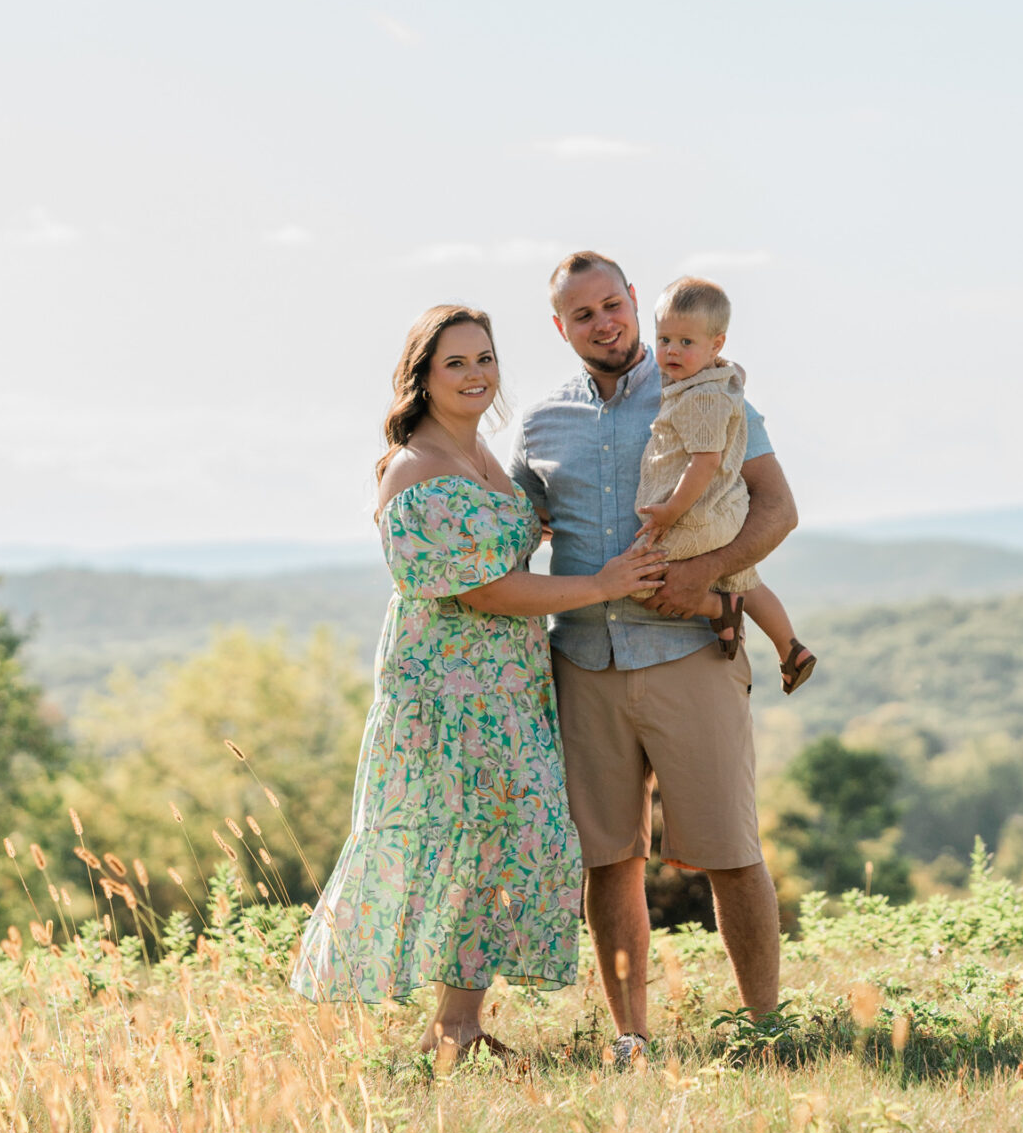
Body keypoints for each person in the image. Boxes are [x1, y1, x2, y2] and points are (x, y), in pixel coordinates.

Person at [290, 304, 666, 1062]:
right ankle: (452, 1027)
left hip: (512, 689)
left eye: (484, 358)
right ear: (422, 376)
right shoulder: (415, 467)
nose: (474, 374)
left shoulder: (487, 457)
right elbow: (483, 591)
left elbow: (519, 532)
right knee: (462, 844)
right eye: (455, 361)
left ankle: (456, 1024)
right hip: (448, 693)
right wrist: (603, 584)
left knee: (504, 847)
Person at [510, 252, 799, 1069]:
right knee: (610, 859)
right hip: (586, 665)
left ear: (634, 300)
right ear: (560, 327)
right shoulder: (539, 425)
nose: (605, 323)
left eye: (613, 304)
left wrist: (707, 573)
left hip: (690, 652)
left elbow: (778, 508)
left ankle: (764, 1028)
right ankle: (632, 1037)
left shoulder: (704, 389)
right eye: (583, 314)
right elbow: (511, 537)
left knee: (730, 849)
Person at [631, 275, 817, 692]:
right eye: (664, 340)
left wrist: (671, 510)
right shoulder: (724, 378)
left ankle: (721, 608)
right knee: (746, 579)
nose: (671, 352)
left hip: (695, 515)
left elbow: (705, 461)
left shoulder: (699, 397)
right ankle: (790, 647)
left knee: (639, 580)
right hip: (725, 514)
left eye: (686, 343)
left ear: (716, 345)